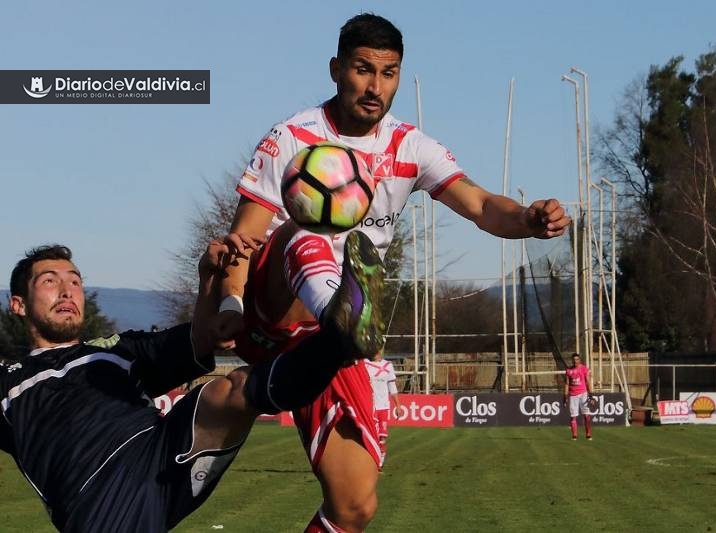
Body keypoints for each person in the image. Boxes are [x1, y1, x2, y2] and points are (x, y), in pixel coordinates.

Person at [219, 13, 570, 532]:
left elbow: (478, 205)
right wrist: (229, 305)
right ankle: (342, 315)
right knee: (310, 228)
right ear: (337, 69)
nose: (374, 86)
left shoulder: (411, 146)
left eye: (388, 73)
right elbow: (246, 237)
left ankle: (345, 324)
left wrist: (528, 219)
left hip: (341, 336)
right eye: (363, 70)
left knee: (354, 506)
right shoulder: (293, 137)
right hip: (278, 303)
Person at [0, 241, 351, 531]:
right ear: (18, 304)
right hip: (98, 500)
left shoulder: (114, 351)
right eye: (49, 281)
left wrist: (209, 280)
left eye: (75, 281)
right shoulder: (9, 384)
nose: (67, 291)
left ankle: (341, 337)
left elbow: (204, 338)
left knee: (228, 391)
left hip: (162, 457)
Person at [365, 350, 400, 467]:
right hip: (370, 406)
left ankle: (380, 460)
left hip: (384, 406)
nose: (376, 353)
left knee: (382, 436)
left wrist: (398, 406)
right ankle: (373, 457)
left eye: (378, 350)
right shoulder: (365, 364)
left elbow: (392, 388)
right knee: (372, 434)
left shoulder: (388, 366)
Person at [564, 352, 595, 441]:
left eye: (577, 359)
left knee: (586, 415)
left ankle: (588, 434)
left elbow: (588, 382)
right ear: (572, 361)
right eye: (574, 360)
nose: (575, 361)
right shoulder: (569, 370)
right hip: (573, 395)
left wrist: (591, 395)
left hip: (583, 394)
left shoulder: (584, 369)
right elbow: (567, 383)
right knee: (573, 416)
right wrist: (565, 397)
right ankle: (574, 435)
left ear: (579, 360)